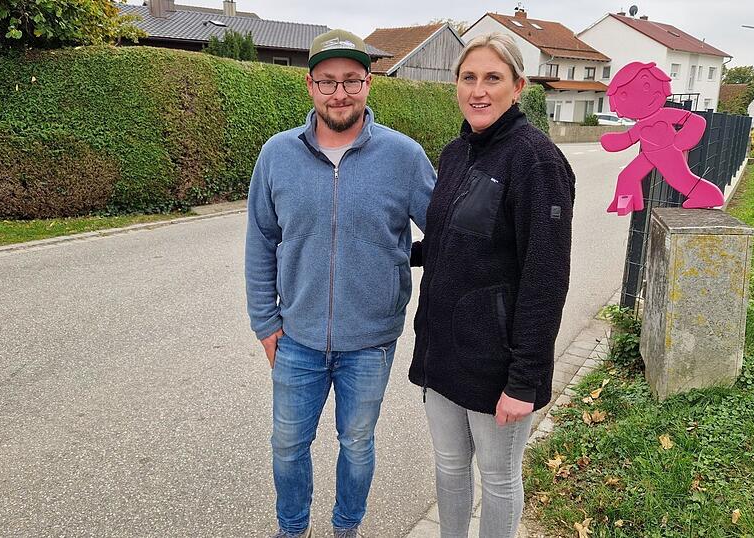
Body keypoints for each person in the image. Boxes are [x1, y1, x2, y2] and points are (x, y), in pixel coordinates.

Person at [245, 29, 435, 538]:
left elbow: (445, 233)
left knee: (357, 443)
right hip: (296, 337)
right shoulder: (277, 154)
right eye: (327, 81)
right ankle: (293, 529)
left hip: (371, 342)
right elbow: (261, 241)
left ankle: (346, 528)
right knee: (287, 445)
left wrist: (398, 263)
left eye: (351, 80)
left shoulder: (403, 156)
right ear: (310, 86)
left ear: (368, 83)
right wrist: (265, 322)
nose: (339, 93)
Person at [408, 33, 575, 538]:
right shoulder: (456, 153)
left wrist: (524, 380)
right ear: (456, 85)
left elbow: (546, 278)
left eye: (493, 78)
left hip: (498, 364)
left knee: (498, 478)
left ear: (518, 87)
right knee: (448, 466)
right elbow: (450, 242)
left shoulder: (536, 161)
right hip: (443, 351)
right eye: (469, 77)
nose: (478, 90)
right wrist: (397, 253)